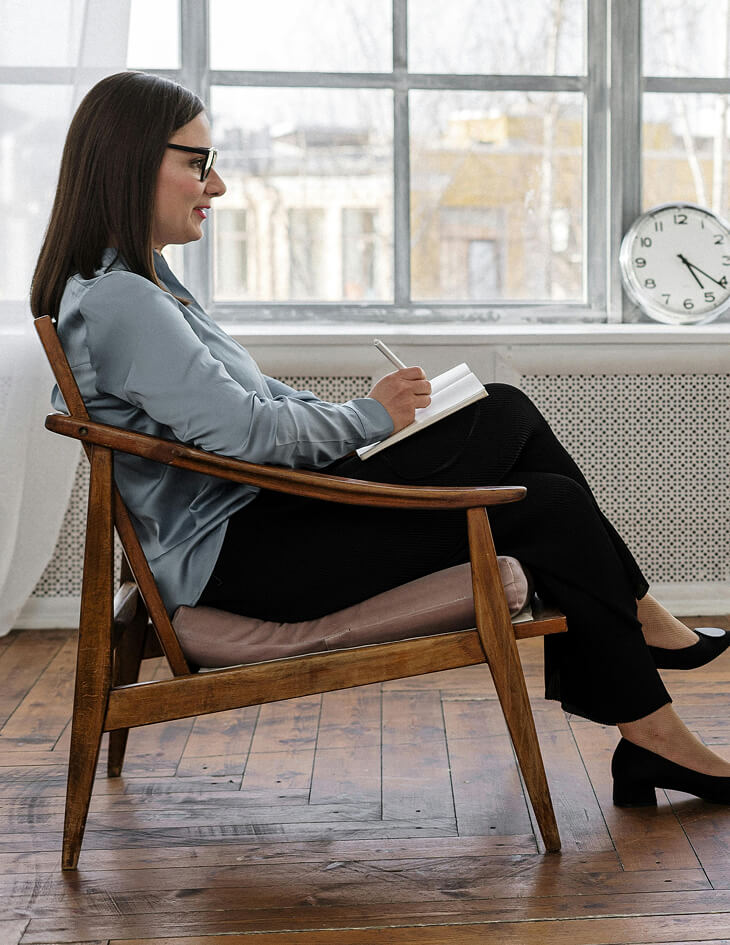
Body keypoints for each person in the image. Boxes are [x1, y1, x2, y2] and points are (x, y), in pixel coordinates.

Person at [31, 71, 730, 807]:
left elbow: (252, 401)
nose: (220, 184)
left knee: (518, 436)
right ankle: (644, 662)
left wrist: (370, 419)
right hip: (247, 555)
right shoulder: (123, 301)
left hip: (262, 524)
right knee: (526, 457)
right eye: (198, 163)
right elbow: (244, 433)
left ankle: (650, 716)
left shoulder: (142, 285)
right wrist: (370, 418)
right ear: (132, 161)